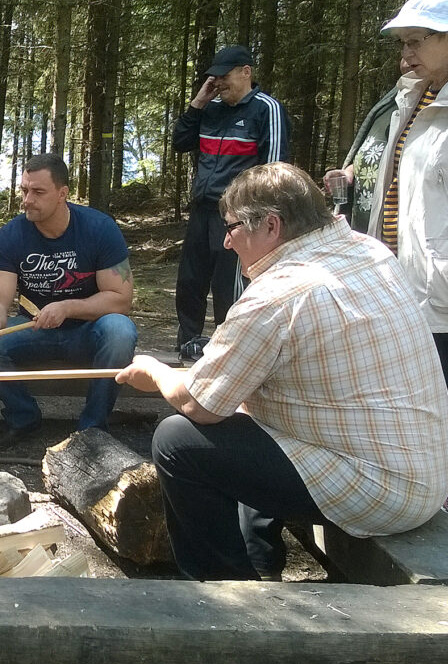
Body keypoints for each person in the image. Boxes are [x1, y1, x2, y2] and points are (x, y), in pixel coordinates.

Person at [116, 163, 448, 581]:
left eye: (232, 228)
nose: (226, 241)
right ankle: (261, 558)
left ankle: (222, 591)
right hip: (427, 474)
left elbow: (198, 404)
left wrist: (156, 372)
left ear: (271, 226)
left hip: (380, 491)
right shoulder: (370, 251)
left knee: (178, 440)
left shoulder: (278, 294)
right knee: (253, 413)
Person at [0, 154, 137, 448]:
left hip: (89, 329)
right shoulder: (11, 235)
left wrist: (69, 307)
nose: (27, 200)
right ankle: (24, 417)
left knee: (121, 331)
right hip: (34, 329)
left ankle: (93, 428)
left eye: (38, 192)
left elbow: (121, 299)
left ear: (62, 194)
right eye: (24, 191)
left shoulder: (99, 228)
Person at [172, 45, 289, 358]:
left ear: (246, 72)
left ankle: (233, 352)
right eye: (214, 77)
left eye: (224, 76)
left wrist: (259, 219)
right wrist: (199, 101)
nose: (219, 82)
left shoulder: (266, 109)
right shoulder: (211, 110)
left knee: (230, 286)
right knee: (190, 281)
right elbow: (180, 141)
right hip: (202, 209)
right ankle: (188, 344)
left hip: (240, 216)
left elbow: (274, 168)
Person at [356, 0, 448, 386]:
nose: (404, 54)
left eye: (415, 41)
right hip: (401, 287)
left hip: (440, 298)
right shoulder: (412, 99)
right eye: (402, 43)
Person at [322, 62, 412, 233]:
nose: (407, 58)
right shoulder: (391, 101)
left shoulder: (432, 107)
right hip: (365, 229)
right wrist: (348, 173)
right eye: (404, 45)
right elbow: (373, 151)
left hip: (400, 234)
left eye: (416, 43)